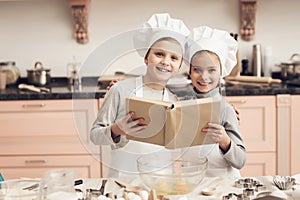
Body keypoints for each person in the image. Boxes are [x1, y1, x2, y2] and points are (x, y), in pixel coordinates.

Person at [90, 13, 190, 179]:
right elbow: (95, 135)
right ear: (146, 58)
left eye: (173, 57)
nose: (166, 62)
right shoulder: (120, 90)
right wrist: (117, 129)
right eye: (159, 54)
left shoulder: (176, 101)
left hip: (163, 182)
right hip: (123, 180)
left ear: (179, 65)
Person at [182, 26, 246, 178]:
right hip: (191, 181)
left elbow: (241, 160)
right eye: (197, 69)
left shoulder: (226, 109)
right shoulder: (181, 105)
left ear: (221, 72)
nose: (204, 77)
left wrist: (224, 140)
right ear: (189, 71)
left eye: (211, 70)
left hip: (223, 182)